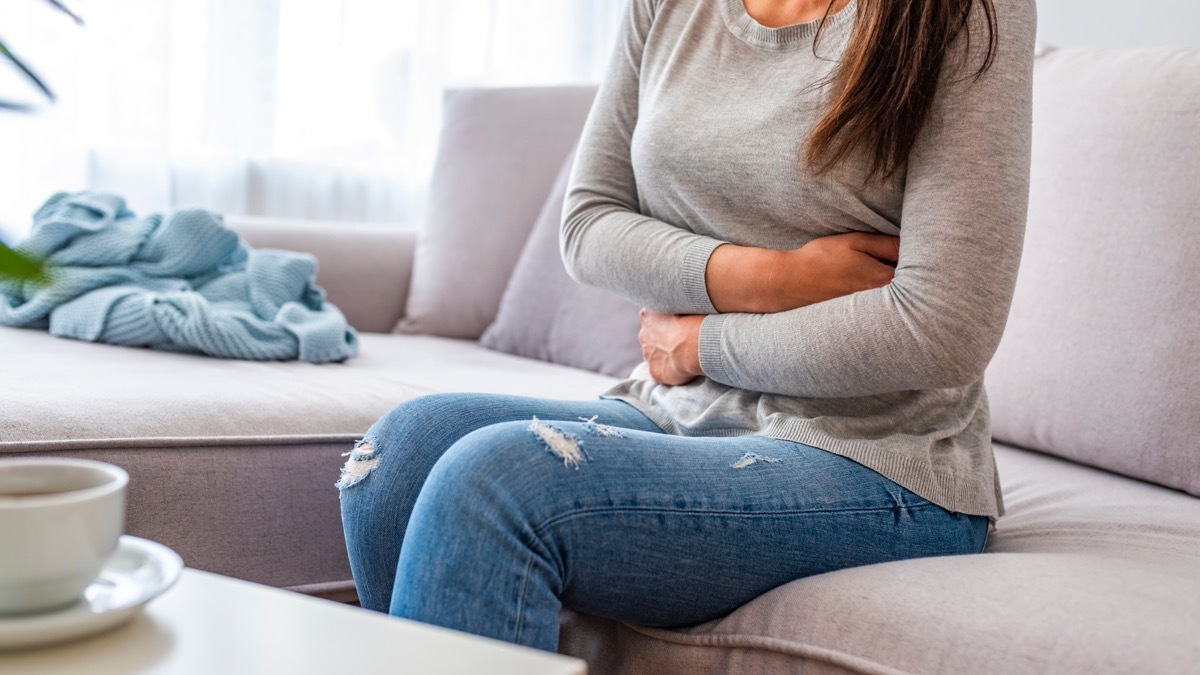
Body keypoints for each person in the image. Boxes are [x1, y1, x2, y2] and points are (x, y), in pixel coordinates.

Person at [339, 0, 1036, 653]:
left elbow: (944, 328)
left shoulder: (966, 12)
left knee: (494, 481)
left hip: (878, 455)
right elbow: (588, 224)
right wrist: (776, 277)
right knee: (399, 454)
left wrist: (703, 344)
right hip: (676, 409)